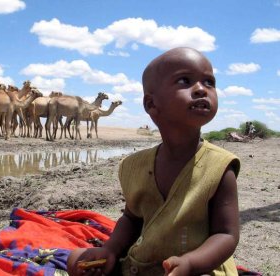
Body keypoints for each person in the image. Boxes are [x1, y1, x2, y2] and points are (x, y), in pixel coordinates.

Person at [67, 47, 241, 276]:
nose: (201, 89)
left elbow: (226, 235)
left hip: (198, 269)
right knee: (74, 260)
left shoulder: (219, 167)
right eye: (185, 80)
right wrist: (110, 249)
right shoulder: (135, 166)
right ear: (151, 105)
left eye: (209, 82)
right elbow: (131, 218)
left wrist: (190, 264)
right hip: (143, 265)